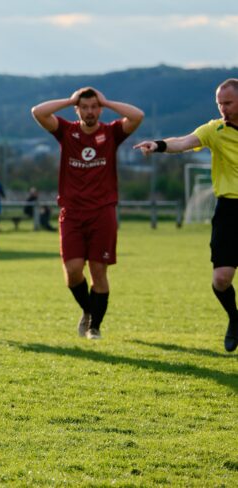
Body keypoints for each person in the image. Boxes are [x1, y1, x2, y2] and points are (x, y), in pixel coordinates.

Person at [133, 78, 238, 352]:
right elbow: (183, 142)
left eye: (228, 103)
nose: (223, 108)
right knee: (221, 279)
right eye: (219, 103)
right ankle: (234, 319)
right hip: (228, 210)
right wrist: (157, 145)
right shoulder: (214, 130)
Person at [31, 87, 143, 340]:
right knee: (72, 271)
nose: (90, 111)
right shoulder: (66, 131)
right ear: (77, 110)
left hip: (102, 212)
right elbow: (38, 112)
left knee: (98, 272)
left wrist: (108, 101)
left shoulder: (111, 132)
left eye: (94, 107)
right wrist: (70, 99)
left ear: (100, 109)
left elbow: (137, 116)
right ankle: (88, 310)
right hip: (71, 212)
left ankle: (95, 327)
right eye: (85, 107)